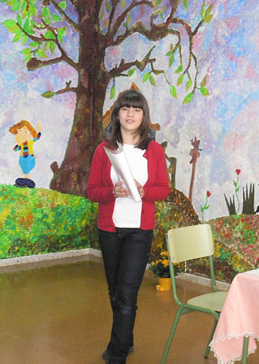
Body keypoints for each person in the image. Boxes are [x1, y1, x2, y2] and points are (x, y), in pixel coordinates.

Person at [87, 89, 169, 364]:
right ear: (117, 115)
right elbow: (92, 191)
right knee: (115, 292)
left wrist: (144, 192)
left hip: (139, 232)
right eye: (125, 108)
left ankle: (118, 352)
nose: (130, 114)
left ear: (144, 116)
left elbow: (163, 189)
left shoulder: (154, 150)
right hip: (109, 230)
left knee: (127, 294)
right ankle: (125, 338)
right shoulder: (104, 150)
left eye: (136, 109)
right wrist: (113, 192)